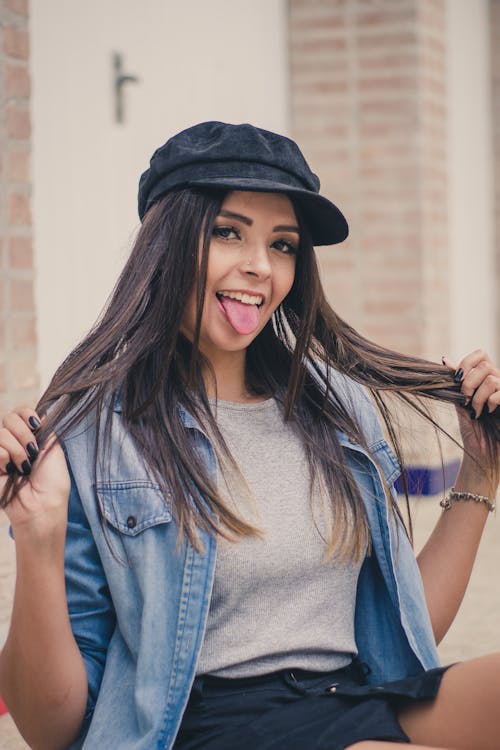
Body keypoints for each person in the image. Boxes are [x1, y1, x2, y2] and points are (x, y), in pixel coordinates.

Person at [0, 121, 499, 750]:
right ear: (167, 243)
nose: (259, 267)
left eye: (283, 244)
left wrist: (480, 472)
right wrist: (37, 538)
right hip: (209, 727)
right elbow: (54, 729)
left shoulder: (335, 405)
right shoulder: (95, 433)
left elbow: (405, 627)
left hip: (349, 698)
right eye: (227, 232)